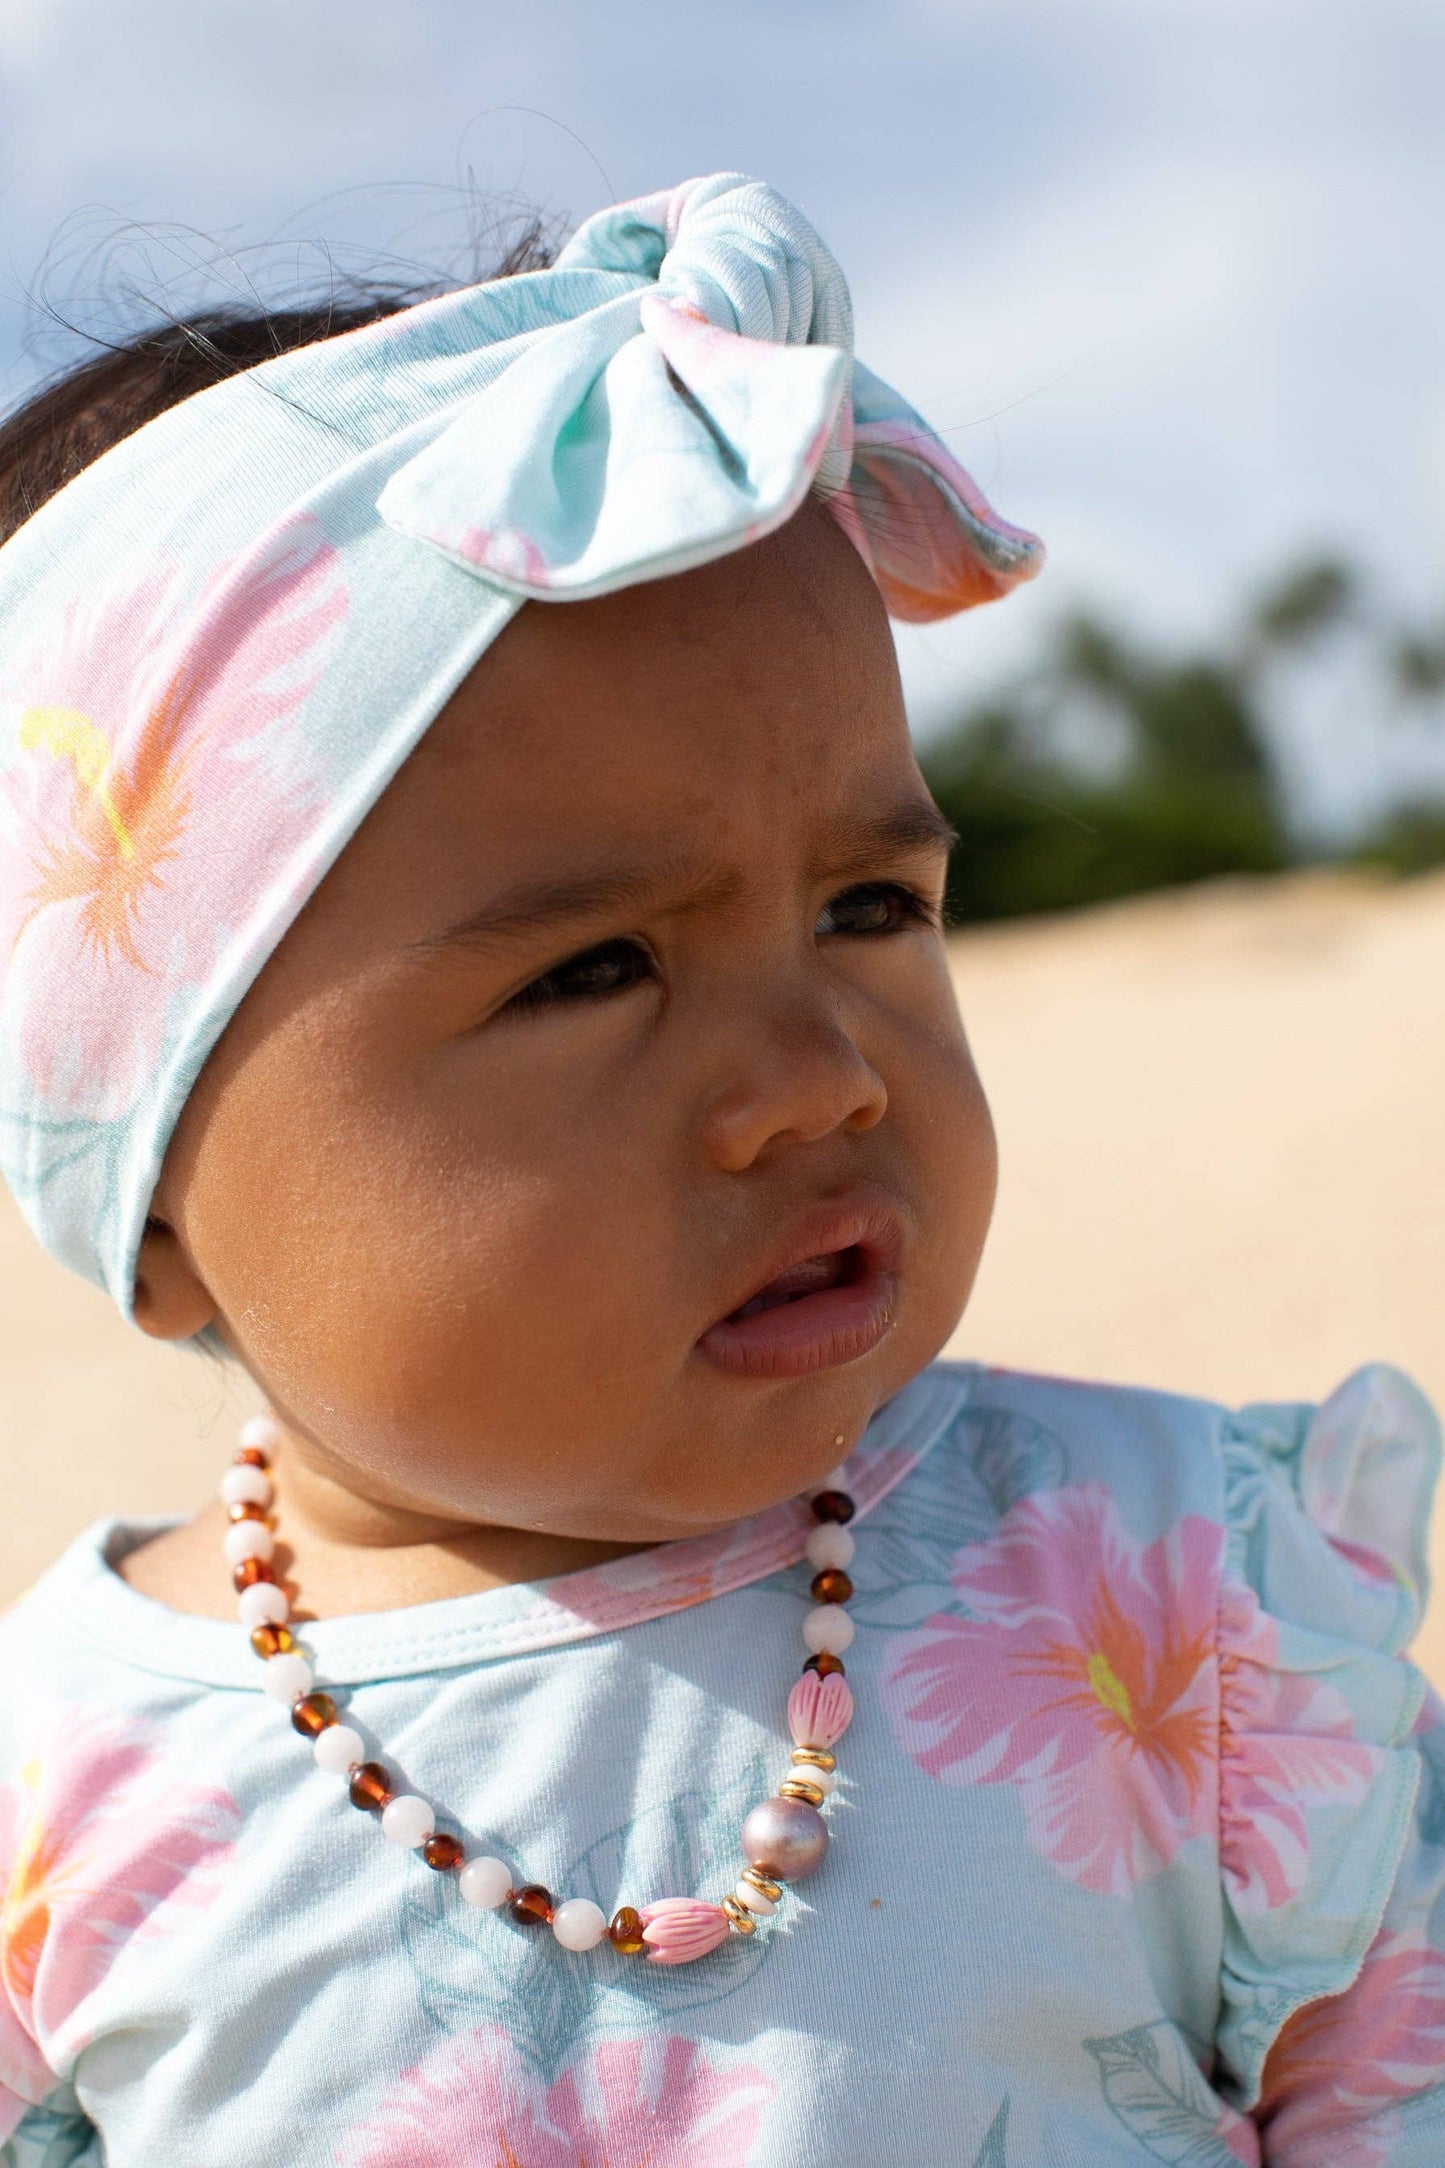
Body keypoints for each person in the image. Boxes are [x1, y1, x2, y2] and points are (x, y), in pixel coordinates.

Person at [0, 172, 1439, 2168]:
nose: (814, 1078)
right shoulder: (54, 1804)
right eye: (594, 969)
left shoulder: (1172, 1589)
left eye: (869, 905)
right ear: (150, 1194)